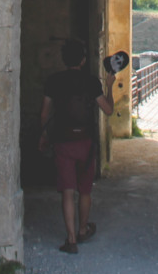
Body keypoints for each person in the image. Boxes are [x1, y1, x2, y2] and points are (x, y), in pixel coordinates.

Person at [39, 38, 116, 254]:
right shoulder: (91, 82)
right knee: (84, 190)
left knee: (67, 191)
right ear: (83, 59)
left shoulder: (53, 81)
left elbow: (45, 112)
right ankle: (82, 229)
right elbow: (108, 110)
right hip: (85, 142)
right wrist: (109, 88)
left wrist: (44, 134)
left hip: (63, 141)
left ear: (64, 59)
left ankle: (71, 239)